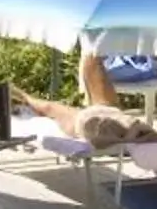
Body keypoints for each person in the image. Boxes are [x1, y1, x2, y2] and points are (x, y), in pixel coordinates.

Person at [12, 47, 146, 147]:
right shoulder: (134, 126)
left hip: (94, 118)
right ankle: (17, 94)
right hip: (104, 115)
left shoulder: (100, 129)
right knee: (91, 57)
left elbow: (101, 142)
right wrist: (128, 138)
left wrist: (127, 139)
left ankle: (17, 94)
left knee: (48, 107)